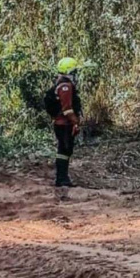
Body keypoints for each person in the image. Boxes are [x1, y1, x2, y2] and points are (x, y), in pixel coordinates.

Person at [52, 57, 83, 187]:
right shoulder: (65, 86)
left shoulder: (61, 83)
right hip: (64, 124)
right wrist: (76, 122)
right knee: (64, 150)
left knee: (64, 150)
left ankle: (62, 177)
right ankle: (62, 178)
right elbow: (67, 109)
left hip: (62, 123)